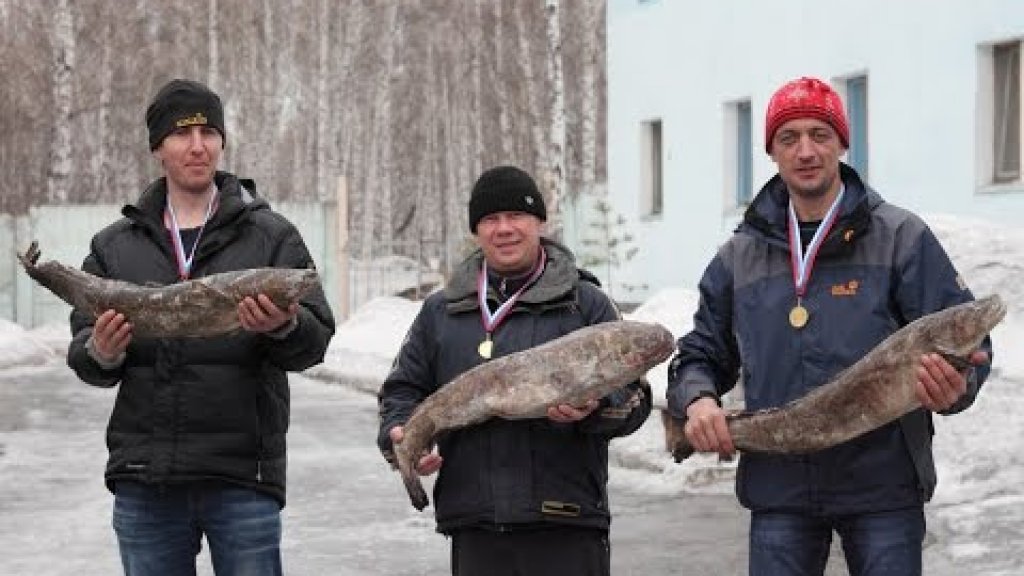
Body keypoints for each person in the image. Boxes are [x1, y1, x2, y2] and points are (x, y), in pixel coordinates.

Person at [666, 76, 994, 576]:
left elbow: (967, 340)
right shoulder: (739, 256)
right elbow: (700, 353)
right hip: (780, 489)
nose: (805, 151)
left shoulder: (901, 237)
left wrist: (958, 386)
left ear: (843, 143)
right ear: (771, 152)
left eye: (820, 134)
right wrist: (698, 398)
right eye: (789, 137)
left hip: (883, 488)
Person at [66, 78, 335, 576]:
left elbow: (315, 341)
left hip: (242, 479)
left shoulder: (272, 236)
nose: (197, 146)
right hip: (145, 478)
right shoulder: (115, 245)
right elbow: (84, 354)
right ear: (157, 148)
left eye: (209, 132)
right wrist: (102, 351)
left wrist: (283, 328)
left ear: (222, 142)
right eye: (181, 135)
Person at [377, 165, 652, 576]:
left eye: (516, 216)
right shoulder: (440, 311)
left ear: (539, 221)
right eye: (491, 219)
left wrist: (594, 408)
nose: (504, 228)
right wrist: (401, 435)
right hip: (475, 528)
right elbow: (402, 390)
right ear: (477, 231)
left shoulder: (586, 304)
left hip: (566, 523)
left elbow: (636, 398)